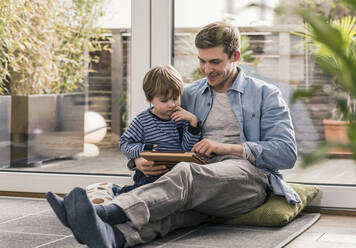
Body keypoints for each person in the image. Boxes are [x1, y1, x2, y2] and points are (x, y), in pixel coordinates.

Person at [45, 21, 300, 248]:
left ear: (235, 56)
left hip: (245, 182)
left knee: (187, 173)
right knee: (170, 215)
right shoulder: (188, 94)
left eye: (215, 62)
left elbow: (286, 154)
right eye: (201, 61)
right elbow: (151, 124)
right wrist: (138, 160)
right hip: (194, 184)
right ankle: (112, 237)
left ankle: (104, 213)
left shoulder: (266, 94)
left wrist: (226, 148)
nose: (206, 69)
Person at [118, 65, 201, 193]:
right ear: (149, 99)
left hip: (175, 173)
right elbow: (124, 144)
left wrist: (193, 123)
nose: (172, 104)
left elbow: (187, 149)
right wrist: (143, 150)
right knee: (147, 189)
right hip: (151, 173)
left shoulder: (181, 118)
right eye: (164, 100)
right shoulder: (142, 120)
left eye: (175, 98)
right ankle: (122, 194)